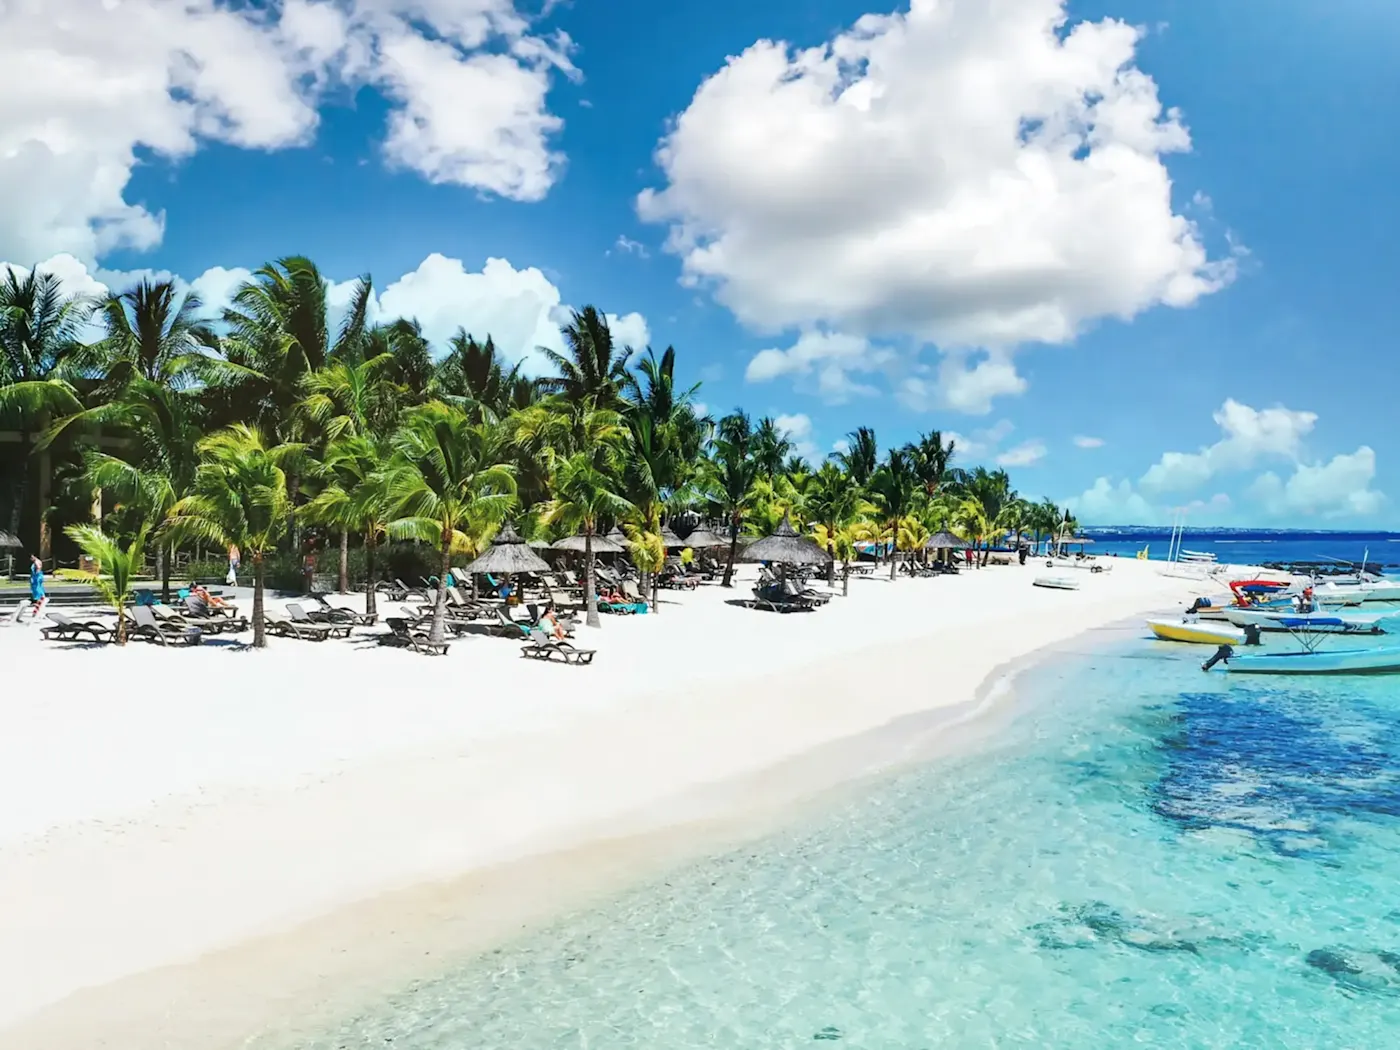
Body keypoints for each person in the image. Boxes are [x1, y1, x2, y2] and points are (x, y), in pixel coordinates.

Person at [27, 553, 48, 623]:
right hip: (38, 576)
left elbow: (38, 568)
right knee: (38, 588)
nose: (31, 559)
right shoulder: (38, 561)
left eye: (31, 557)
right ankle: (39, 601)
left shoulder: (36, 562)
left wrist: (35, 574)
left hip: (36, 577)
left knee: (37, 590)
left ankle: (38, 601)